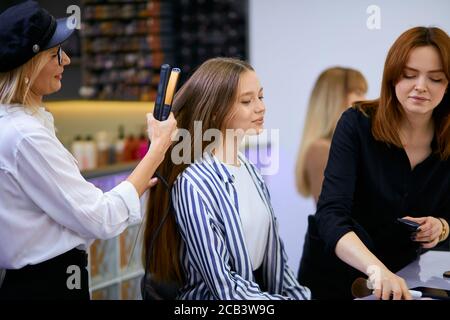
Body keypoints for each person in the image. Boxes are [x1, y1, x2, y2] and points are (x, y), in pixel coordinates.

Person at [0, 1, 177, 299]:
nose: (66, 61)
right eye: (55, 53)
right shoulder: (24, 136)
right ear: (29, 64)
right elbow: (100, 218)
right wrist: (157, 148)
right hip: (45, 287)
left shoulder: (24, 124)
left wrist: (132, 186)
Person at [297, 26, 450, 300]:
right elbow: (331, 215)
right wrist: (377, 270)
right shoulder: (357, 123)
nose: (421, 86)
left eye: (436, 78)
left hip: (403, 275)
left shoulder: (447, 139)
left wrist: (441, 226)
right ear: (393, 78)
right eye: (409, 75)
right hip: (335, 277)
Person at [143, 57, 311, 300]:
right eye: (246, 101)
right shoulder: (194, 184)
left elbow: (279, 267)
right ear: (214, 113)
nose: (260, 107)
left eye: (260, 97)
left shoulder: (251, 170)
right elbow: (227, 291)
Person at [295, 67, 367, 203]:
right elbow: (333, 215)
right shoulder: (321, 150)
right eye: (358, 92)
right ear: (334, 98)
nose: (364, 100)